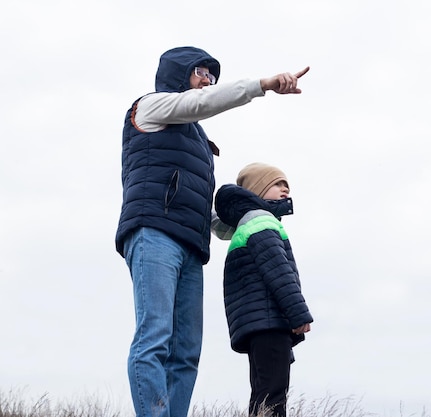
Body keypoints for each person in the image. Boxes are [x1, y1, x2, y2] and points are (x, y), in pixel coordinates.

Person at [115, 46, 309, 417]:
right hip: (153, 233)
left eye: (212, 76)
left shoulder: (200, 142)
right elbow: (202, 103)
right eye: (202, 72)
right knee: (155, 337)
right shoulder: (151, 107)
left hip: (191, 247)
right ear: (178, 72)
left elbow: (205, 215)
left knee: (186, 350)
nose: (208, 81)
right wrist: (262, 84)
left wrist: (251, 219)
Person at [214, 162, 314, 417]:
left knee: (262, 393)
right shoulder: (261, 221)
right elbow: (278, 269)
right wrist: (298, 314)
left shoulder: (245, 224)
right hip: (270, 321)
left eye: (287, 185)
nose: (285, 190)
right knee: (274, 394)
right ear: (257, 190)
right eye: (277, 184)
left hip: (257, 323)